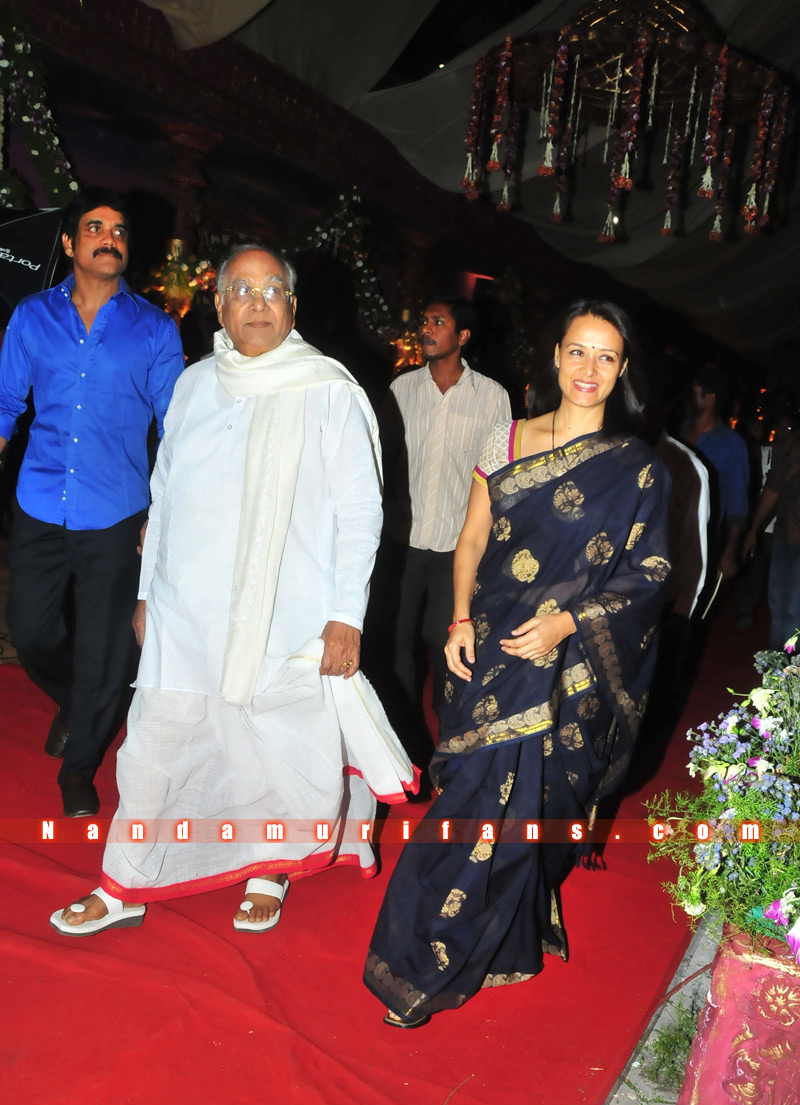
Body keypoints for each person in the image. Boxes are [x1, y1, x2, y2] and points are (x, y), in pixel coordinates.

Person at [50, 244, 415, 937]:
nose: (257, 303)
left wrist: (346, 615)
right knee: (154, 743)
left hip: (288, 610)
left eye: (272, 290)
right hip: (185, 607)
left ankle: (269, 866)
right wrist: (147, 593)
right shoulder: (193, 386)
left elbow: (361, 511)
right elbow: (164, 494)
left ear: (292, 307)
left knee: (273, 745)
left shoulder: (328, 390)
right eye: (241, 290)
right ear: (218, 305)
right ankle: (124, 880)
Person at [364, 300, 671, 1027]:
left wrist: (569, 622)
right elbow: (471, 540)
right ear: (556, 356)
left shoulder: (639, 469)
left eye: (605, 356)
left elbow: (651, 574)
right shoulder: (505, 439)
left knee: (539, 805)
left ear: (622, 369)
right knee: (471, 794)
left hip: (570, 666)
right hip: (493, 647)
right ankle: (422, 958)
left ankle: (490, 938)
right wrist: (458, 619)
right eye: (577, 351)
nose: (589, 368)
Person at [0, 188, 185, 817]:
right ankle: (78, 704)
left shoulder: (156, 328)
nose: (110, 238)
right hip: (39, 500)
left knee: (106, 650)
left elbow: (176, 430)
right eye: (95, 227)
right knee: (31, 631)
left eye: (120, 230)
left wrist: (164, 512)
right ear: (69, 243)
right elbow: (6, 404)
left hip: (118, 513)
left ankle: (79, 766)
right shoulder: (31, 316)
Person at [376, 295, 511, 766]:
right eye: (424, 321)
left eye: (438, 321)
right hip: (401, 543)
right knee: (396, 651)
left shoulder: (491, 396)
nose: (426, 329)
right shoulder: (401, 389)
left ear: (463, 335)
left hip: (458, 548)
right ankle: (404, 749)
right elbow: (381, 460)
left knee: (446, 649)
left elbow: (500, 477)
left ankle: (450, 750)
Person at [681, 368, 749, 585]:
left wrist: (729, 551)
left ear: (709, 398)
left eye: (694, 392)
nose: (688, 397)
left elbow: (738, 504)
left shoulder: (732, 444)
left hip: (703, 539)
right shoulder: (681, 430)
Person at [742, 421, 800, 649]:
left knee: (794, 609)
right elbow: (773, 488)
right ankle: (777, 664)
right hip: (783, 536)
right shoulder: (790, 442)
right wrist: (753, 529)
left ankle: (789, 666)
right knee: (778, 606)